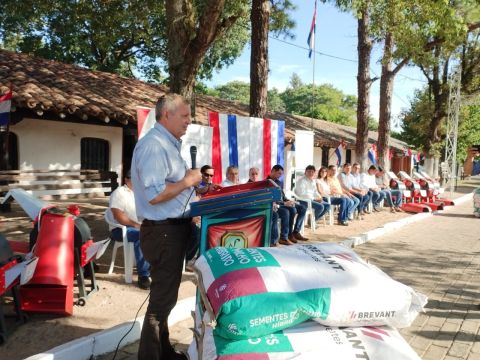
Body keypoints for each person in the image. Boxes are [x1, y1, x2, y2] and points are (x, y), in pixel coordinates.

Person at [131, 93, 202, 360]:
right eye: (184, 116)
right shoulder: (153, 145)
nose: (188, 121)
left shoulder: (169, 145)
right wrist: (188, 181)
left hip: (174, 229)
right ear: (166, 115)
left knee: (167, 299)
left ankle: (163, 351)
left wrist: (193, 187)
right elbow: (155, 194)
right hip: (163, 231)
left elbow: (170, 186)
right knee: (161, 303)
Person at [105, 170, 151, 290]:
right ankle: (144, 275)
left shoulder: (140, 194)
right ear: (126, 179)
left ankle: (153, 267)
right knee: (142, 235)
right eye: (134, 178)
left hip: (138, 227)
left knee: (160, 232)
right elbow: (118, 216)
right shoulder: (119, 193)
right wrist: (136, 225)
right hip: (120, 229)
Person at [267, 164, 308, 245]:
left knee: (302, 208)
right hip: (277, 205)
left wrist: (289, 201)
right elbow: (271, 199)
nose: (280, 176)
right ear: (273, 171)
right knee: (289, 210)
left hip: (283, 202)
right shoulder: (267, 182)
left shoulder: (279, 182)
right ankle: (284, 236)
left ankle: (295, 232)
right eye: (279, 173)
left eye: (281, 174)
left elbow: (282, 196)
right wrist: (284, 203)